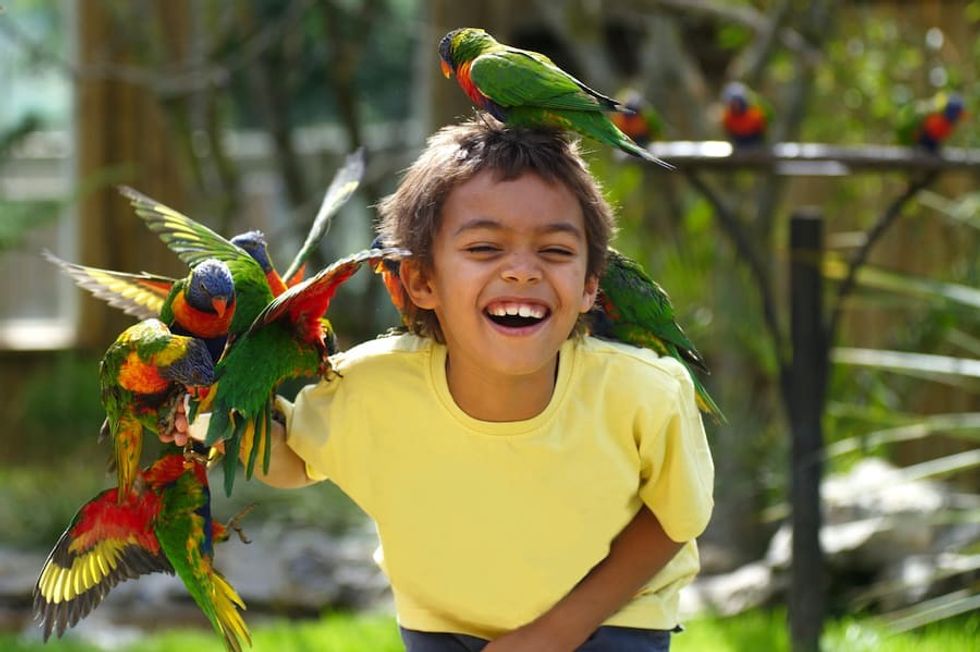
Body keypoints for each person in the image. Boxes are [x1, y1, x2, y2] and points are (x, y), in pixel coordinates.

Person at [167, 116, 714, 651]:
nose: (523, 270)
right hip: (440, 632)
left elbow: (676, 519)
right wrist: (203, 413)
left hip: (611, 626)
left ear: (590, 284)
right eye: (484, 248)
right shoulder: (371, 385)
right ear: (422, 280)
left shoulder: (645, 394)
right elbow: (291, 458)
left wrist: (553, 634)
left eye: (555, 251)